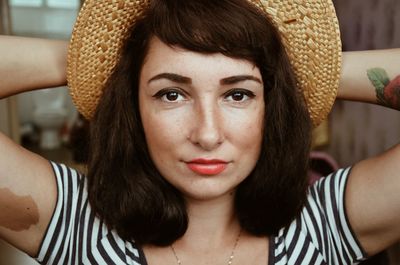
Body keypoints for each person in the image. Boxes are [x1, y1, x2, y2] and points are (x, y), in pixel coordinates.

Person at [0, 0, 399, 264]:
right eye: (172, 94)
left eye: (238, 94)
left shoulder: (324, 223)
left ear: (270, 106)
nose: (207, 134)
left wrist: (309, 72)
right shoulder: (74, 220)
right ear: (134, 107)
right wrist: (89, 63)